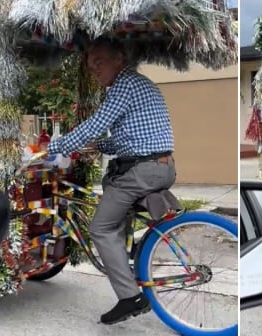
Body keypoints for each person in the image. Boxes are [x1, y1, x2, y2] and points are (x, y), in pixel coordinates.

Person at [46, 35, 177, 324]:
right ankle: (127, 264)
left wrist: (55, 147)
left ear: (119, 59)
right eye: (91, 66)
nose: (94, 70)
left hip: (142, 171)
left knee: (101, 228)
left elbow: (96, 123)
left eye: (99, 63)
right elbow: (131, 138)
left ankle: (130, 297)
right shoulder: (139, 84)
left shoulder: (125, 84)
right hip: (159, 165)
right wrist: (99, 148)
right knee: (114, 217)